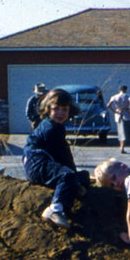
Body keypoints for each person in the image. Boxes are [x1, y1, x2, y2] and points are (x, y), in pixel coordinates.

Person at [23, 88, 90, 229]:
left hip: (44, 160)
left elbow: (63, 154)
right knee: (67, 175)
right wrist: (72, 174)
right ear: (47, 109)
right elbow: (63, 156)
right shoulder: (51, 129)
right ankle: (55, 209)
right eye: (56, 109)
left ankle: (76, 184)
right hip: (37, 161)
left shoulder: (56, 126)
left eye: (64, 109)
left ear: (69, 111)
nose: (60, 113)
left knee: (83, 175)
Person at [107, 85, 130, 153]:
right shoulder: (128, 96)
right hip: (126, 114)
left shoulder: (114, 96)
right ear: (125, 90)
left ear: (119, 90)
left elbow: (108, 105)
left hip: (118, 114)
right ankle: (122, 147)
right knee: (125, 131)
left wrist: (114, 111)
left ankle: (121, 147)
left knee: (120, 131)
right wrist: (129, 109)